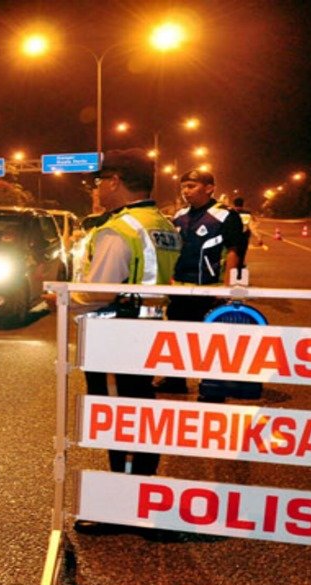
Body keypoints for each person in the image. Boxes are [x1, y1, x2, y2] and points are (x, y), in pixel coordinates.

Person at [71, 149, 181, 534]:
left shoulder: (119, 229)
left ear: (115, 180)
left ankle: (122, 508)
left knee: (118, 421)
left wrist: (64, 295)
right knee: (142, 417)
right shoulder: (161, 223)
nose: (97, 189)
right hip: (150, 333)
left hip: (115, 336)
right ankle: (143, 498)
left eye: (99, 181)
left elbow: (98, 291)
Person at [156, 169, 245, 398]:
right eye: (183, 186)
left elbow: (235, 251)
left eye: (192, 186)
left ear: (209, 188)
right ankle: (175, 381)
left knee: (209, 341)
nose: (186, 191)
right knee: (177, 336)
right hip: (180, 289)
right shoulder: (180, 215)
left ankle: (212, 387)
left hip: (210, 290)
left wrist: (228, 288)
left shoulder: (225, 216)